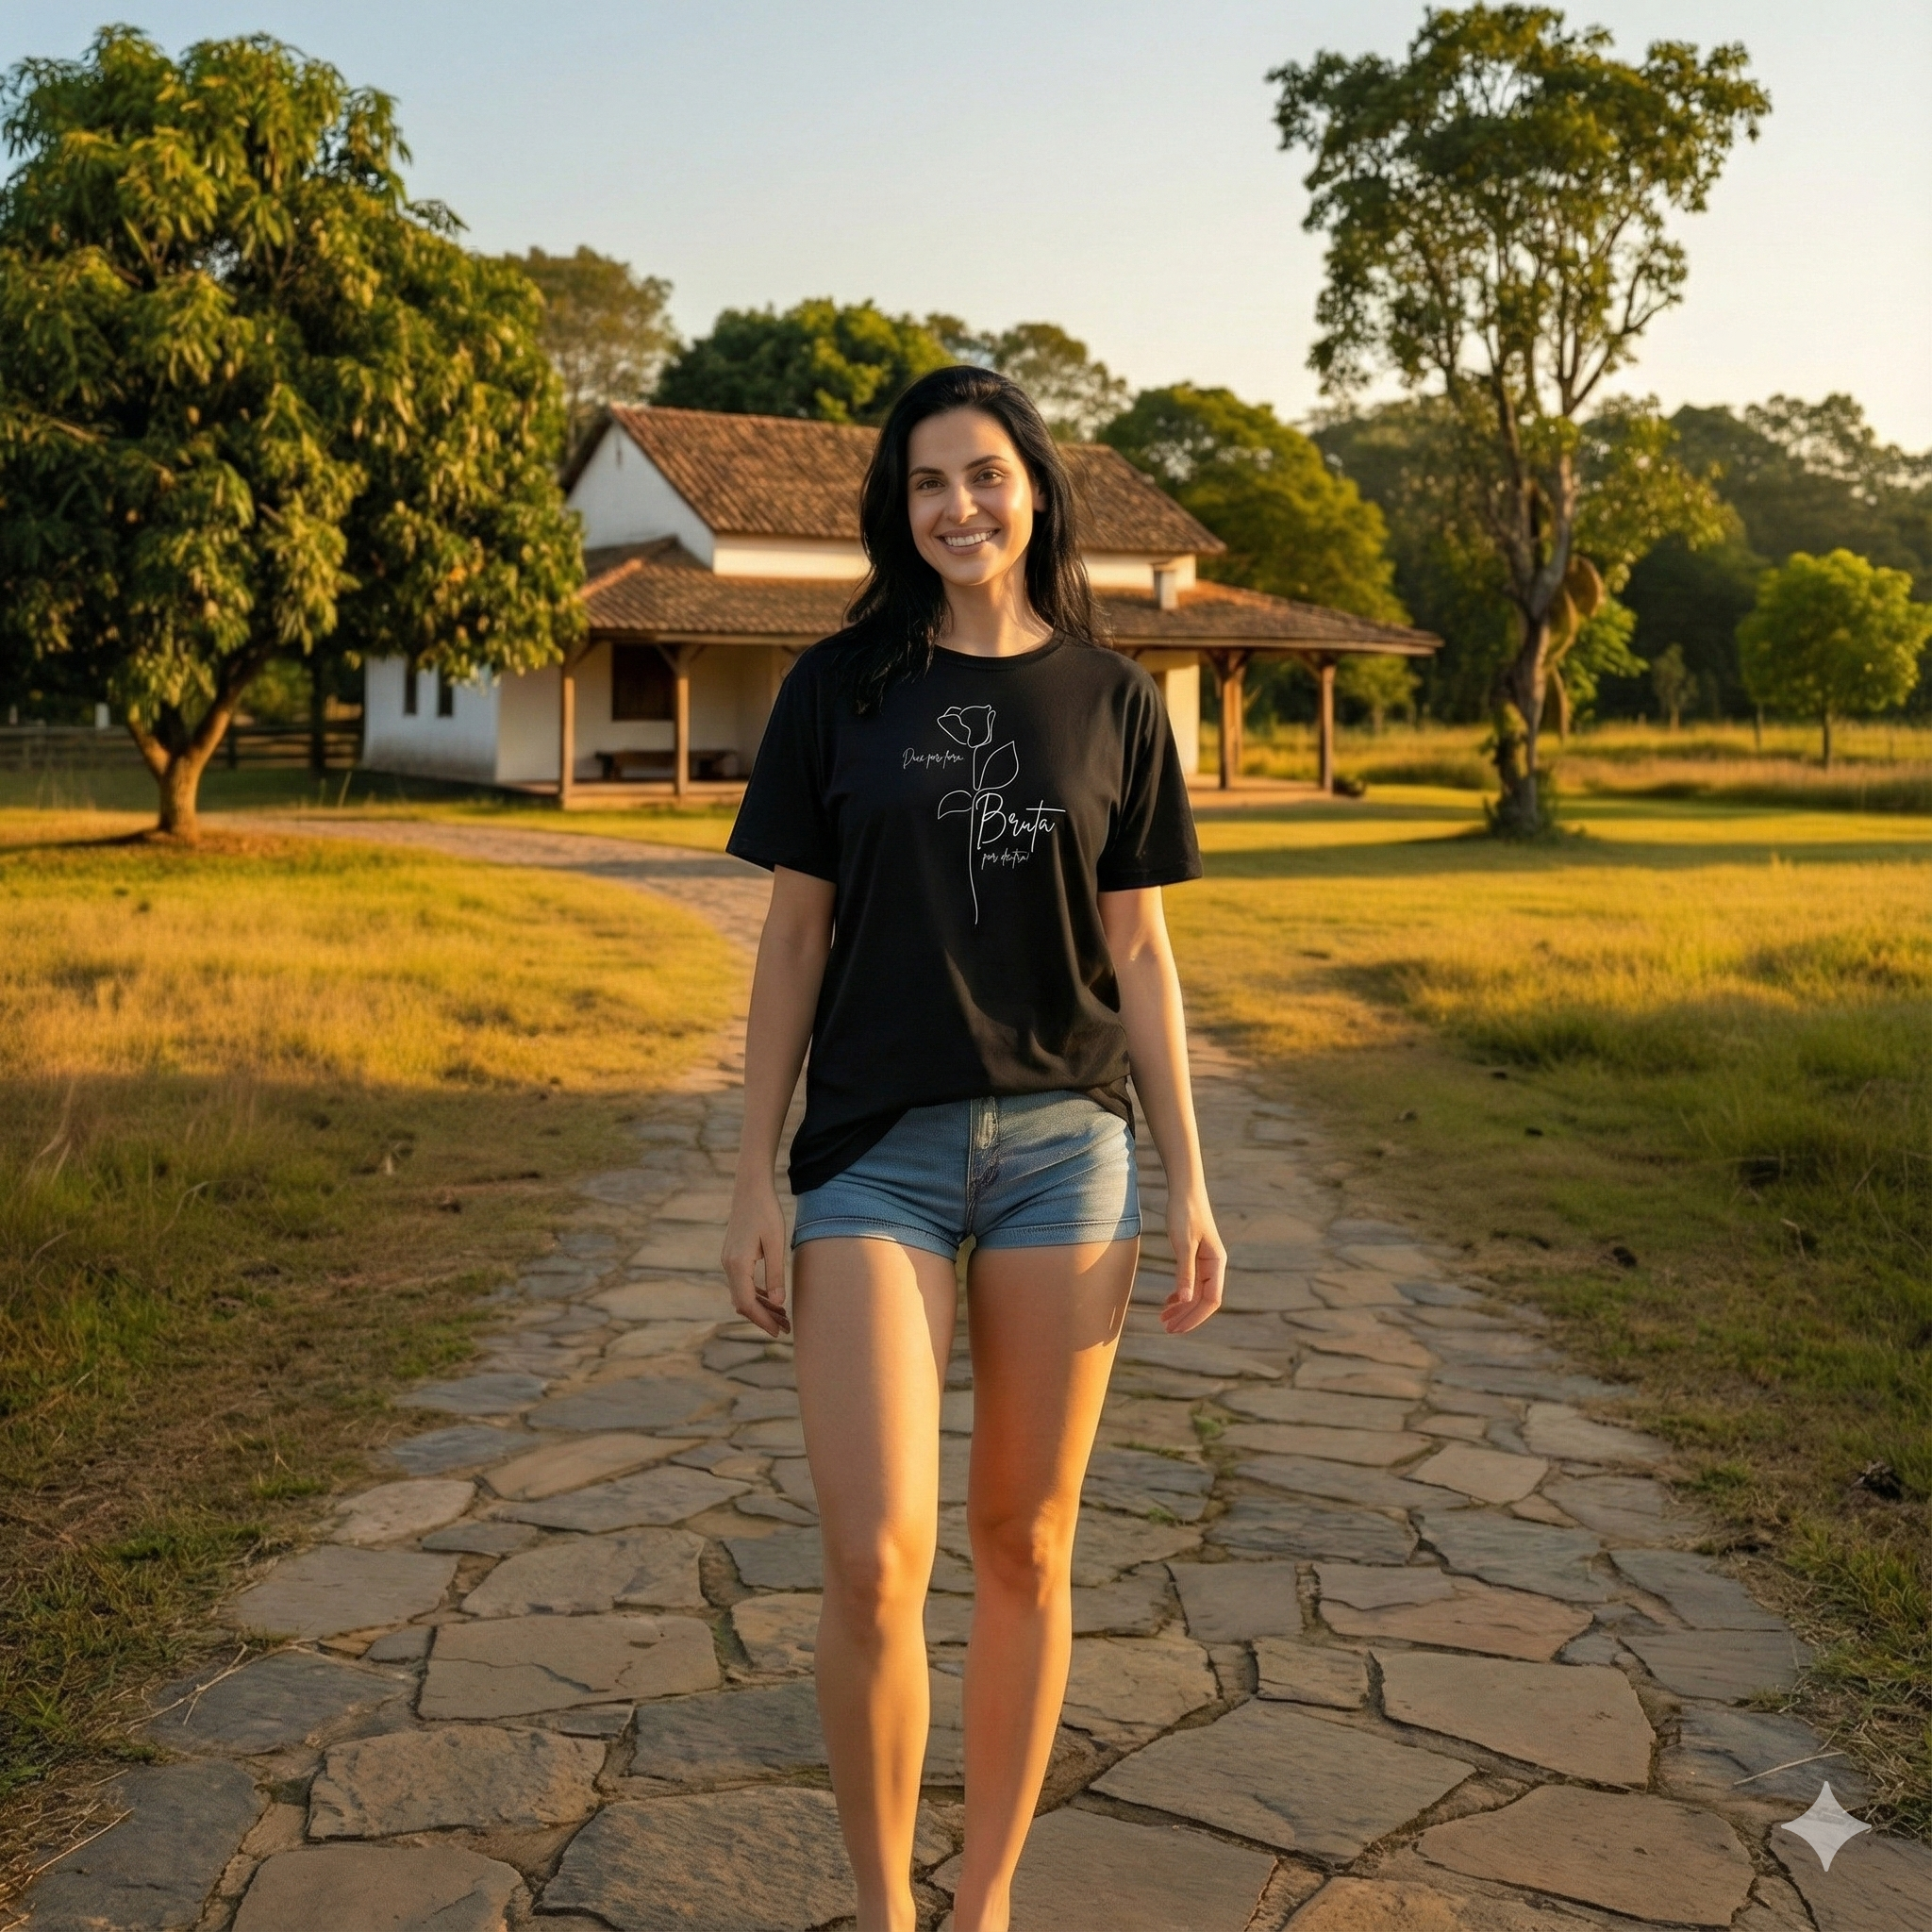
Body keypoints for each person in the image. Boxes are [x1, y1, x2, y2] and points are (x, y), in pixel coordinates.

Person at [722, 364, 1224, 1932]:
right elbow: (792, 943)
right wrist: (753, 1175)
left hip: (1069, 1153)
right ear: (899, 508)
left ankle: (985, 1900)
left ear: (1036, 490)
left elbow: (1140, 956)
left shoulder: (1113, 700)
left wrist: (1193, 1181)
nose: (959, 506)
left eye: (986, 474)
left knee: (1023, 1544)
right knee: (875, 1559)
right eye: (928, 481)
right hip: (870, 1156)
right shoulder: (836, 689)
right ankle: (887, 1913)